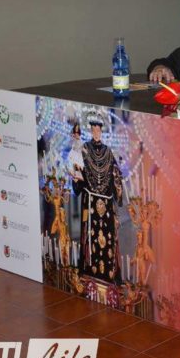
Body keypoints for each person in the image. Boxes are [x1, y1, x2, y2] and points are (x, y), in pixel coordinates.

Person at [72, 112, 123, 284]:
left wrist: (117, 182)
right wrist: (77, 176)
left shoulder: (108, 151)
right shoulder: (84, 149)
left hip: (105, 202)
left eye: (98, 129)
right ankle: (89, 270)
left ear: (101, 131)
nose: (96, 132)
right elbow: (78, 170)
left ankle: (108, 274)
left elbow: (115, 172)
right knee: (90, 237)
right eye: (93, 129)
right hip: (91, 201)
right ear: (91, 130)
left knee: (107, 237)